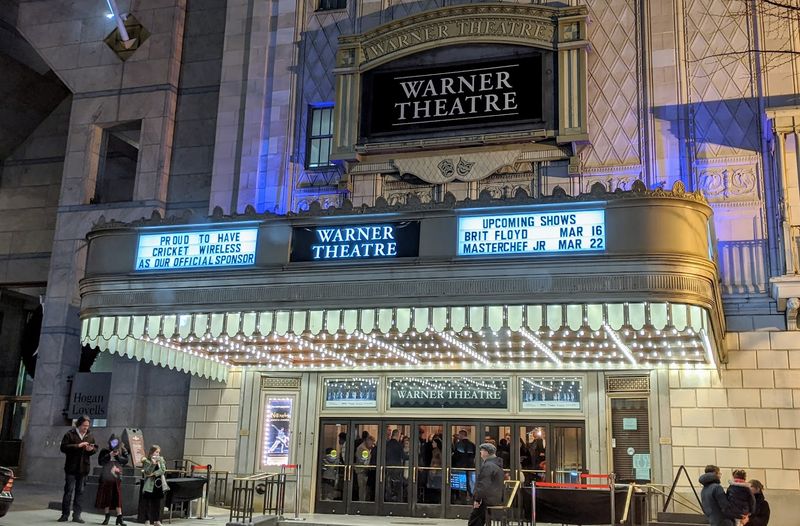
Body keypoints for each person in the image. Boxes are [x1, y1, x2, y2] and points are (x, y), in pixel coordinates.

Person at [59, 415, 97, 523]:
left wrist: (91, 449)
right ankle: (65, 514)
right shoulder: (70, 434)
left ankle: (77, 515)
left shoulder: (90, 435)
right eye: (84, 425)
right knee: (68, 491)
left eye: (87, 426)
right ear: (79, 424)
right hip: (71, 467)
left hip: (84, 468)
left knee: (80, 492)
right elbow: (63, 447)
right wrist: (78, 446)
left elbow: (95, 448)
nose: (86, 428)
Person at [95, 434, 129, 525]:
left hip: (117, 474)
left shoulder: (122, 450)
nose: (114, 444)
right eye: (113, 442)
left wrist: (117, 456)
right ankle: (107, 516)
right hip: (106, 474)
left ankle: (119, 517)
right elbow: (100, 462)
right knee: (107, 495)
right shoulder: (105, 450)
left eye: (116, 442)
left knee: (117, 495)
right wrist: (109, 455)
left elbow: (125, 461)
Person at [468, 443, 504, 526]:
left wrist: (477, 499)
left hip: (486, 500)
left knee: (474, 521)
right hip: (494, 498)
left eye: (482, 450)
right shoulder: (497, 465)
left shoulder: (488, 466)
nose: (480, 452)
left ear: (486, 452)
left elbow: (483, 484)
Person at [141, 445, 168, 526]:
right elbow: (147, 472)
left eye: (159, 452)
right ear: (152, 452)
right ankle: (147, 520)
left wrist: (154, 473)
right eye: (156, 452)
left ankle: (157, 520)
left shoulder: (161, 460)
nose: (158, 454)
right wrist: (152, 464)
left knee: (158, 503)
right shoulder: (147, 461)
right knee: (148, 503)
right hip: (149, 484)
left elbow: (163, 470)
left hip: (158, 484)